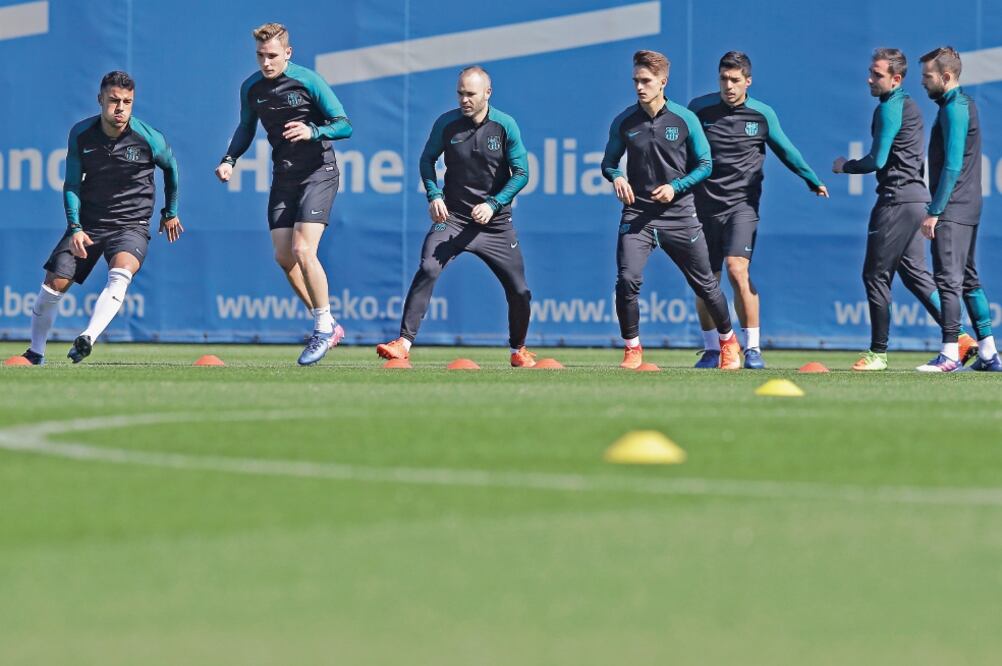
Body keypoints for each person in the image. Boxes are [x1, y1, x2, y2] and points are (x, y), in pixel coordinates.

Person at [376, 66, 537, 367]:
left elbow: (521, 173)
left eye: (471, 94)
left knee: (520, 291)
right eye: (460, 93)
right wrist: (434, 194)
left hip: (495, 225)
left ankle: (518, 349)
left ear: (487, 93)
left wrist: (494, 204)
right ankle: (403, 343)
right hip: (453, 218)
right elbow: (427, 160)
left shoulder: (505, 126)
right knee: (428, 268)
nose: (464, 99)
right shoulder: (446, 123)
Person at [21, 71, 182, 365]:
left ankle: (88, 337)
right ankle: (35, 352)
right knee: (52, 286)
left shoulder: (149, 138)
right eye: (113, 100)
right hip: (89, 225)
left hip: (131, 224)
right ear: (100, 99)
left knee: (121, 273)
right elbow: (72, 184)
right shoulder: (81, 134)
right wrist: (75, 228)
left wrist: (170, 212)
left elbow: (171, 168)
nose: (120, 108)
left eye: (127, 102)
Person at [215, 22, 351, 366]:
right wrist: (230, 159)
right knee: (284, 256)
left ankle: (321, 327)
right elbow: (246, 127)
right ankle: (329, 323)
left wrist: (313, 130)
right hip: (284, 176)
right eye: (261, 55)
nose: (266, 62)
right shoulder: (252, 88)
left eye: (273, 55)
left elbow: (344, 124)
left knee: (303, 249)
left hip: (319, 173)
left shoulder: (308, 81)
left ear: (287, 53)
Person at [833, 48, 976, 370]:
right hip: (915, 201)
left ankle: (878, 354)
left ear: (896, 79)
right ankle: (961, 338)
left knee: (875, 275)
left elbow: (877, 160)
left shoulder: (890, 108)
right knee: (915, 275)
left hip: (896, 201)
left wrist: (846, 166)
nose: (870, 79)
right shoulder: (909, 105)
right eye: (870, 72)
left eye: (877, 75)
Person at [688, 51, 828, 369]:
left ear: (748, 81)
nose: (728, 85)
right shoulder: (699, 108)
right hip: (703, 207)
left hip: (742, 206)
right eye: (723, 79)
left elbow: (785, 149)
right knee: (706, 281)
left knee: (737, 269)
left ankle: (752, 348)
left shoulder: (762, 114)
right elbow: (679, 151)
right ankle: (712, 350)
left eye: (735, 80)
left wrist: (812, 179)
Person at [601, 50, 740, 370]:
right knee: (626, 280)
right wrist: (617, 176)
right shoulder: (625, 121)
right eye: (636, 80)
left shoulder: (685, 119)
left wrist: (676, 187)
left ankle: (728, 342)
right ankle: (632, 349)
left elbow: (705, 164)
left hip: (679, 215)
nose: (639, 87)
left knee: (706, 284)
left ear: (662, 82)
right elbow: (608, 163)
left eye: (646, 81)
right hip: (638, 214)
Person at [915, 46, 1000, 372]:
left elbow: (952, 166)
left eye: (928, 76)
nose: (923, 82)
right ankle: (989, 353)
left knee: (948, 280)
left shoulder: (955, 109)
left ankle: (950, 353)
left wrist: (935, 210)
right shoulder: (959, 105)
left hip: (953, 208)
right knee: (967, 280)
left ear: (946, 76)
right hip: (966, 206)